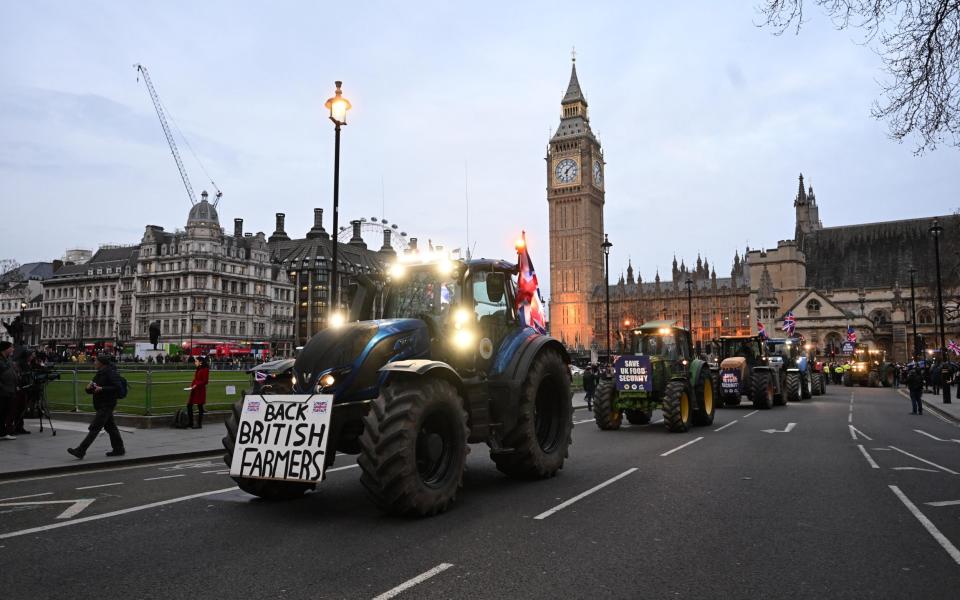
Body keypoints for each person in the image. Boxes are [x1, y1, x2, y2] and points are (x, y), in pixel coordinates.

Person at [68, 354, 125, 459]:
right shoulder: (100, 373)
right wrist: (88, 388)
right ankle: (119, 448)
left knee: (95, 428)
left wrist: (102, 389)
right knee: (111, 427)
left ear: (101, 363)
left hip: (107, 404)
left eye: (96, 361)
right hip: (101, 404)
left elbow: (117, 388)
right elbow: (93, 388)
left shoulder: (110, 373)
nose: (94, 363)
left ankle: (81, 450)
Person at [0, 341, 18, 440]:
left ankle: (3, 433)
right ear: (5, 349)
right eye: (11, 347)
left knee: (5, 412)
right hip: (3, 391)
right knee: (2, 412)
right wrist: (2, 387)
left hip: (10, 389)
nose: (13, 349)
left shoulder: (8, 359)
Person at [186, 356, 210, 429]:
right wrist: (192, 385)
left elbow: (205, 381)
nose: (195, 362)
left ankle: (199, 424)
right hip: (195, 389)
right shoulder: (198, 369)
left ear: (200, 362)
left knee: (200, 406)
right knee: (189, 405)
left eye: (196, 361)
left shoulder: (205, 369)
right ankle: (191, 422)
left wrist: (196, 385)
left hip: (200, 390)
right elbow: (195, 379)